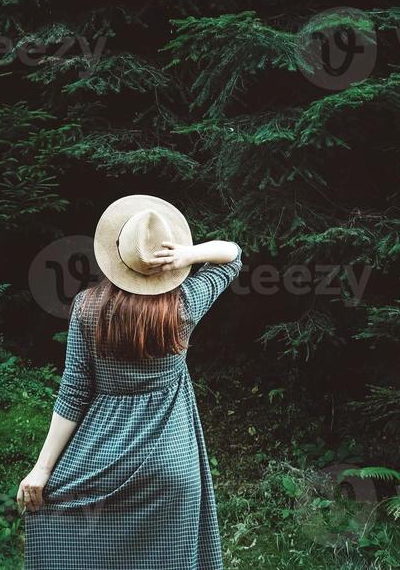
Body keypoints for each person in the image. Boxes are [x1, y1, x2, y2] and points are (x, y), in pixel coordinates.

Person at [17, 194, 243, 569]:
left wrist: (42, 470)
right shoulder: (185, 304)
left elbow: (73, 394)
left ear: (117, 255)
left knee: (72, 535)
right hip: (173, 465)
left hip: (106, 460)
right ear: (167, 259)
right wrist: (188, 255)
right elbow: (233, 254)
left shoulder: (88, 308)